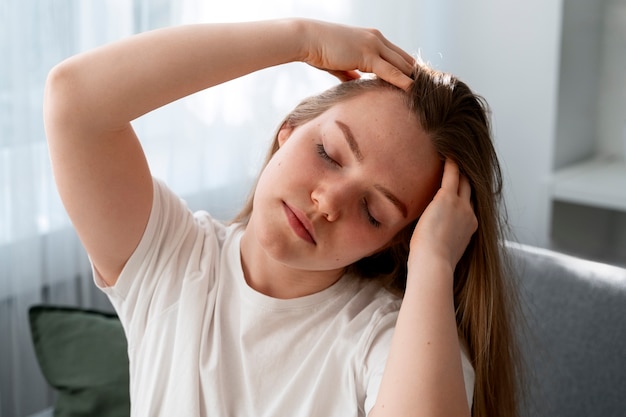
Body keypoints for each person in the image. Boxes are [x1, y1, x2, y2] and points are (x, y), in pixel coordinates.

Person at [44, 19, 521, 417]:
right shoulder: (172, 260)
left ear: (395, 242)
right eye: (329, 154)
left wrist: (435, 262)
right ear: (287, 131)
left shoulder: (395, 341)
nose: (328, 202)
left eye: (373, 213)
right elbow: (74, 100)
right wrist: (301, 39)